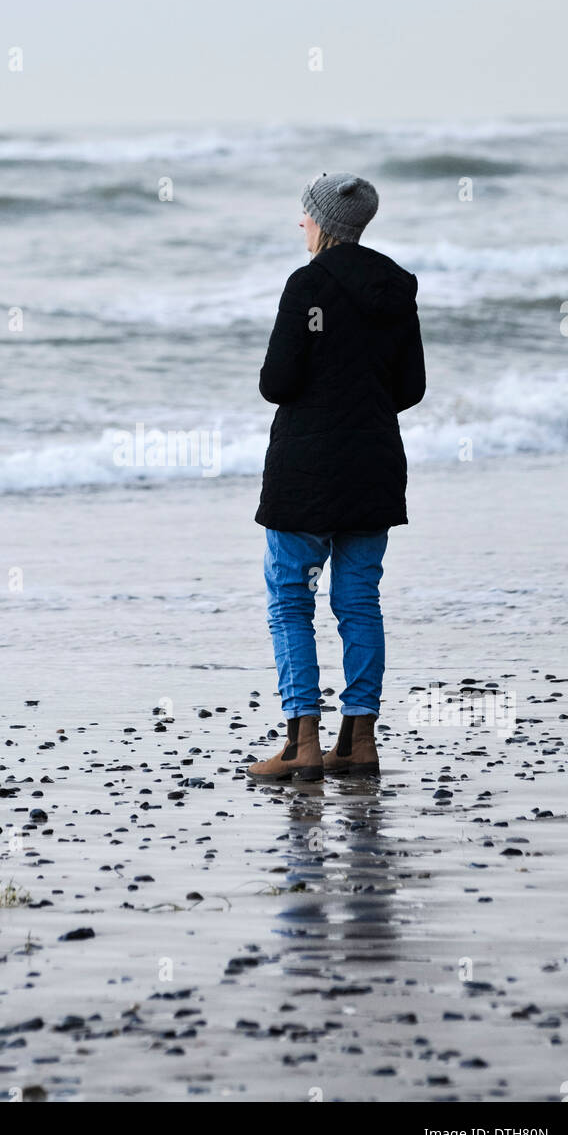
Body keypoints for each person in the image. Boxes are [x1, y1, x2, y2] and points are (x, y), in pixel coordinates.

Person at [247, 172, 426, 783]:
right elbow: (411, 389)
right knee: (358, 602)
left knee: (290, 602)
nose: (301, 222)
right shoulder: (398, 286)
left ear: (323, 223)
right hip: (374, 466)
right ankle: (358, 741)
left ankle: (302, 742)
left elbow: (277, 383)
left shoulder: (307, 285)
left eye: (305, 214)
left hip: (306, 470)